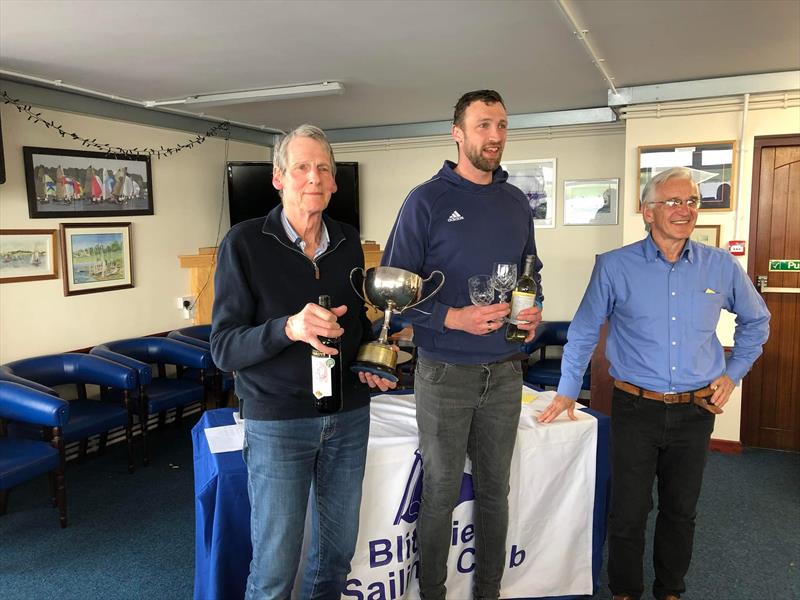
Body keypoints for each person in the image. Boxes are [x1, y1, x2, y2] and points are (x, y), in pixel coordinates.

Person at [538, 166, 770, 600]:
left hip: (695, 410)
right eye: (673, 202)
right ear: (647, 212)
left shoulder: (721, 266)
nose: (685, 210)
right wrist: (568, 388)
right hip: (635, 408)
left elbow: (757, 323)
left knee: (681, 512)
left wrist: (732, 375)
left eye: (692, 202)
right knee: (628, 512)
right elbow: (585, 330)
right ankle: (625, 591)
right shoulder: (614, 266)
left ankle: (670, 591)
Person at [210, 124, 396, 600]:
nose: (313, 178)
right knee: (275, 567)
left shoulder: (349, 240)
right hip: (278, 421)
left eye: (323, 169)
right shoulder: (243, 242)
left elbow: (350, 328)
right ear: (279, 178)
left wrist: (375, 354)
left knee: (335, 558)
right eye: (301, 168)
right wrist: (288, 328)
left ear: (334, 182)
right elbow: (225, 348)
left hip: (348, 415)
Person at [382, 89, 543, 600]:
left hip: (505, 372)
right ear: (457, 133)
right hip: (443, 374)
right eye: (482, 126)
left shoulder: (517, 201)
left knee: (497, 491)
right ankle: (433, 593)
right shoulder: (426, 200)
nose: (494, 136)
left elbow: (529, 274)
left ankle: (488, 592)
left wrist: (531, 310)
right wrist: (453, 316)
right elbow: (391, 297)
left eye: (501, 125)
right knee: (440, 494)